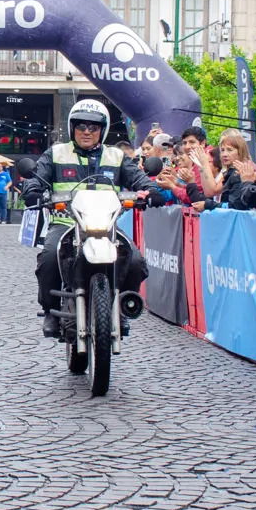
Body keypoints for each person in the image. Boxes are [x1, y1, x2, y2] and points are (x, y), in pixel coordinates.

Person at [19, 99, 155, 340]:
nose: (86, 131)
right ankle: (50, 310)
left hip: (107, 226)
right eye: (81, 126)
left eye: (93, 127)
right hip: (66, 223)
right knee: (49, 257)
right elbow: (38, 178)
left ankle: (124, 305)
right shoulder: (56, 153)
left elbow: (139, 179)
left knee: (134, 260)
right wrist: (32, 190)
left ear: (102, 130)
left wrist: (150, 191)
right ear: (72, 128)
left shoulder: (116, 156)